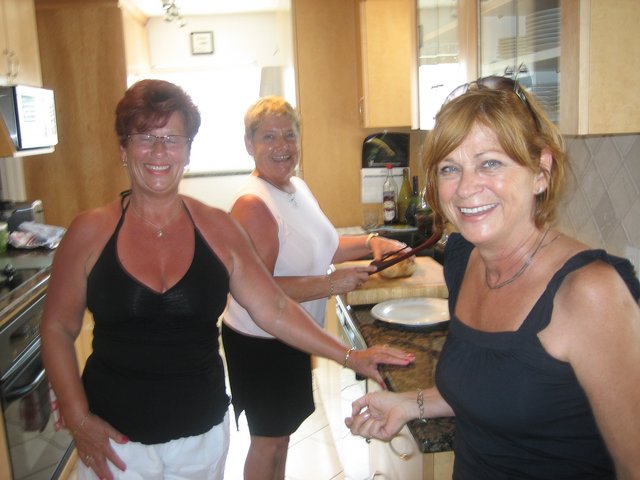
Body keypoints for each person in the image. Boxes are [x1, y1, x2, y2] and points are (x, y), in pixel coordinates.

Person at [40, 80, 415, 480]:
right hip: (113, 444)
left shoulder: (218, 229)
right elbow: (57, 327)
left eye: (173, 139)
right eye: (145, 137)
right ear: (123, 148)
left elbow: (274, 308)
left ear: (188, 151)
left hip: (200, 439)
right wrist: (77, 417)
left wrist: (351, 356)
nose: (159, 151)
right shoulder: (90, 232)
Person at [345, 76, 640, 479]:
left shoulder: (589, 292)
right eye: (450, 168)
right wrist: (410, 403)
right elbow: (493, 387)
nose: (466, 188)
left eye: (490, 163)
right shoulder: (464, 260)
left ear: (541, 171)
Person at [221, 96, 409, 480]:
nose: (282, 146)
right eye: (269, 136)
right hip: (261, 341)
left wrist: (373, 242)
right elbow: (255, 290)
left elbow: (326, 245)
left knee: (281, 437)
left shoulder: (295, 187)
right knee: (268, 442)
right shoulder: (253, 204)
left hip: (291, 333)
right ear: (248, 144)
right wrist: (329, 283)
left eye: (289, 135)